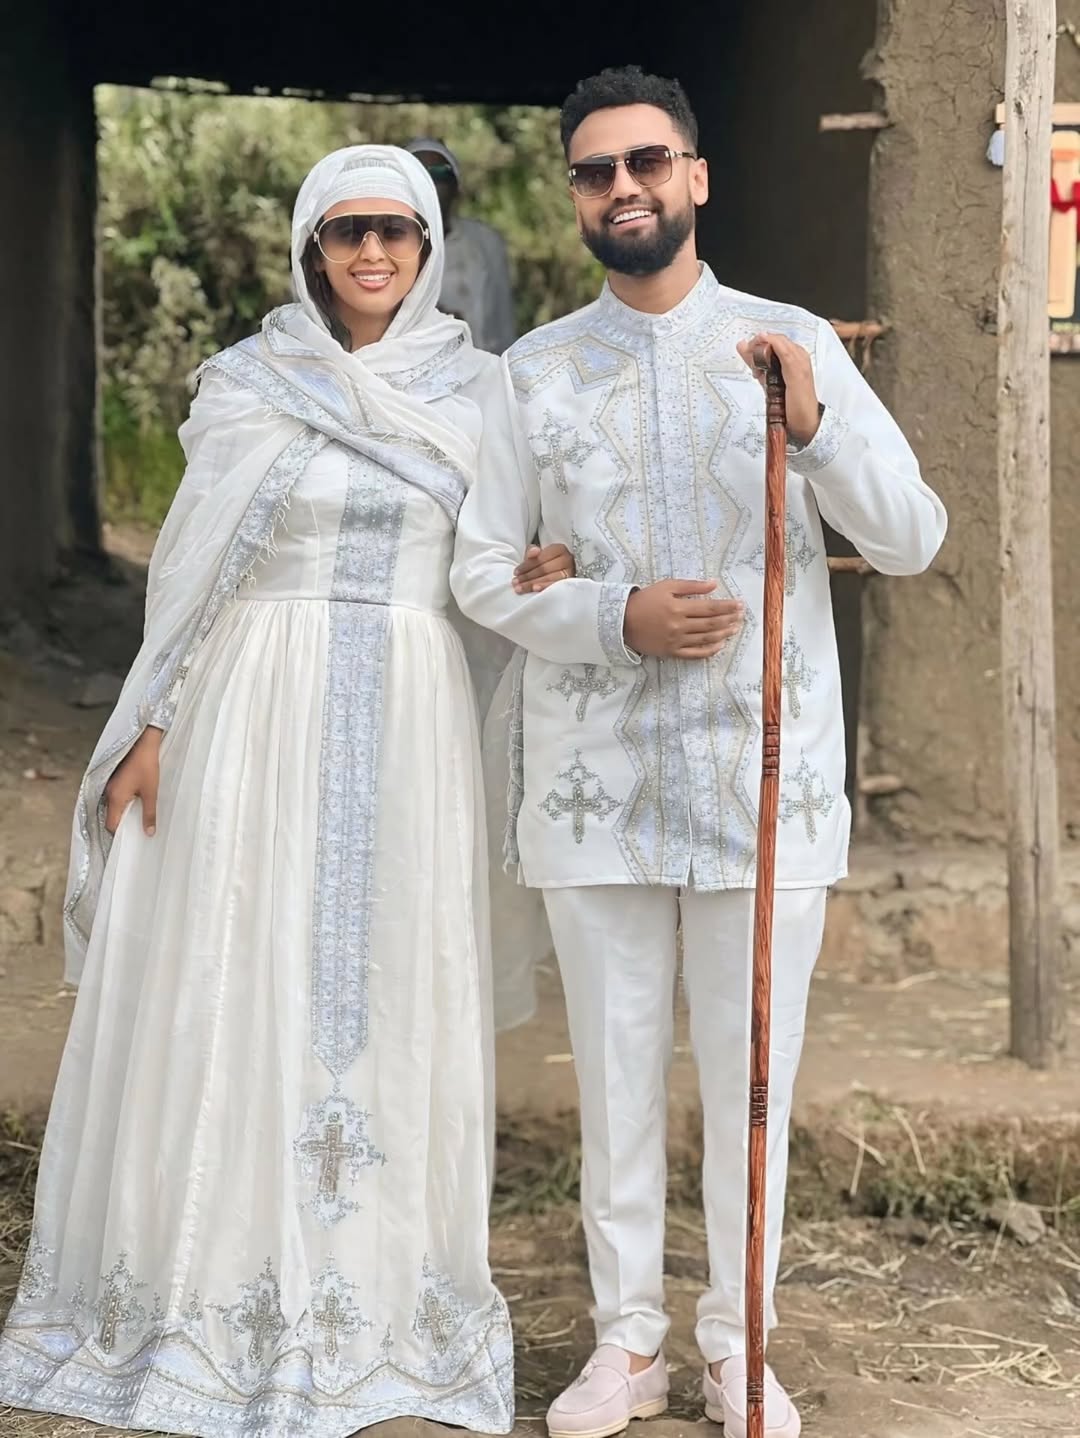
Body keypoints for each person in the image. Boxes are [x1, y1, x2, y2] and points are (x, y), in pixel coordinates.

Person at [0, 144, 572, 1438]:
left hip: (411, 722)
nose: (372, 253)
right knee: (238, 970)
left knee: (380, 985)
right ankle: (211, 1282)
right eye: (346, 230)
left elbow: (485, 568)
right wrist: (150, 722)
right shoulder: (247, 384)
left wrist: (537, 566)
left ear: (429, 249)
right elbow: (192, 575)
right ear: (312, 247)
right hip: (250, 709)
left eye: (396, 232)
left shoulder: (482, 393)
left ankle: (374, 1299)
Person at [451, 66, 948, 1438]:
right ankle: (628, 1346)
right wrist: (614, 614)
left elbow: (912, 536)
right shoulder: (531, 372)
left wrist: (815, 427)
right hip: (594, 784)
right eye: (599, 170)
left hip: (762, 778)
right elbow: (481, 572)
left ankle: (739, 1345)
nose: (626, 189)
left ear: (697, 179)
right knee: (612, 1080)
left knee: (751, 1081)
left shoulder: (791, 345)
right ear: (574, 195)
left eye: (649, 163)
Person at [406, 137, 517, 355]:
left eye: (439, 173)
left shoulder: (485, 242)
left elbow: (503, 320)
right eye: (418, 173)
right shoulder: (379, 246)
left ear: (457, 186)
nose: (429, 182)